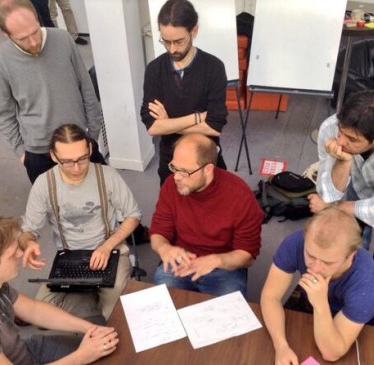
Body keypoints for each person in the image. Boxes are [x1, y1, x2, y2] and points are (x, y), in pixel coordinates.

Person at [0, 217, 119, 365]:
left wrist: (88, 328)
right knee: (94, 356)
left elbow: (34, 310)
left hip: (20, 352)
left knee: (107, 351)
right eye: (13, 255)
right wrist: (81, 357)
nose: (20, 254)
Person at [20, 124, 141, 320]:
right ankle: (86, 296)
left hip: (109, 250)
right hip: (70, 256)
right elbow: (28, 231)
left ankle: (91, 296)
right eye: (67, 162)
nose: (76, 168)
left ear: (90, 150)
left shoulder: (107, 176)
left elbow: (133, 215)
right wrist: (28, 243)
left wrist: (106, 247)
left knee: (113, 315)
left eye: (82, 159)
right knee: (41, 316)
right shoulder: (44, 183)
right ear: (53, 156)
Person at [309, 89, 374, 329]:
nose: (340, 142)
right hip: (358, 184)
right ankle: (353, 288)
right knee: (353, 238)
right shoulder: (330, 128)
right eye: (342, 132)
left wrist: (338, 207)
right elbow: (329, 194)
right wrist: (343, 160)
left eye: (352, 140)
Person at [0, 0, 104, 183]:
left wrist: (92, 136)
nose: (34, 42)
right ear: (6, 33)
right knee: (53, 208)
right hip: (39, 153)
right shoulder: (0, 60)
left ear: (37, 17)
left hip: (80, 143)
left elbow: (86, 88)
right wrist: (22, 153)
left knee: (102, 194)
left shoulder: (63, 39)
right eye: (23, 38)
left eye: (35, 31)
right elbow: (5, 114)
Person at [261, 207, 374, 364]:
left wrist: (320, 304)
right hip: (309, 303)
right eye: (310, 255)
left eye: (328, 262)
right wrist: (281, 346)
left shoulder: (367, 279)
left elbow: (331, 353)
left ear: (351, 255)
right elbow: (270, 296)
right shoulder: (296, 242)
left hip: (346, 319)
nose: (315, 268)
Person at [150, 133, 262, 297]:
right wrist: (164, 248)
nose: (176, 177)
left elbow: (247, 255)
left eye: (185, 171)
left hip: (223, 267)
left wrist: (216, 260)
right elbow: (158, 231)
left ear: (208, 170)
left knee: (228, 316)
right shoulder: (170, 186)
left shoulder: (241, 197)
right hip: (181, 263)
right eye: (173, 167)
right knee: (163, 308)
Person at [140, 0, 228, 185]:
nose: (172, 49)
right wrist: (198, 118)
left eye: (179, 41)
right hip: (170, 162)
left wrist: (168, 124)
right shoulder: (155, 69)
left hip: (206, 161)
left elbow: (214, 126)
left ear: (194, 31)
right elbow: (152, 127)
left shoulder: (214, 68)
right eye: (166, 41)